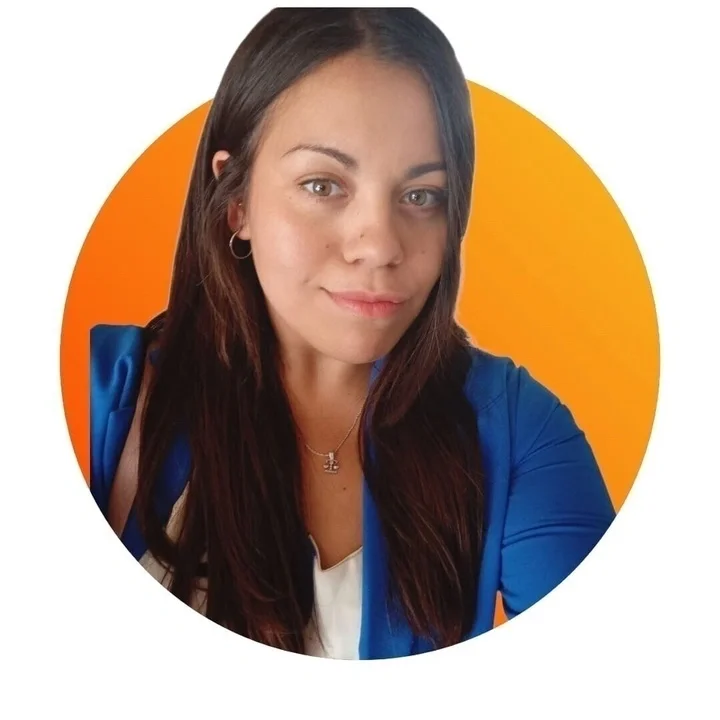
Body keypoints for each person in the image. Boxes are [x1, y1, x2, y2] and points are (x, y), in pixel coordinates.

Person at [89, 7, 616, 660]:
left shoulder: (518, 431)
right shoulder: (101, 399)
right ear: (237, 203)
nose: (380, 245)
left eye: (421, 195)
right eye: (323, 185)